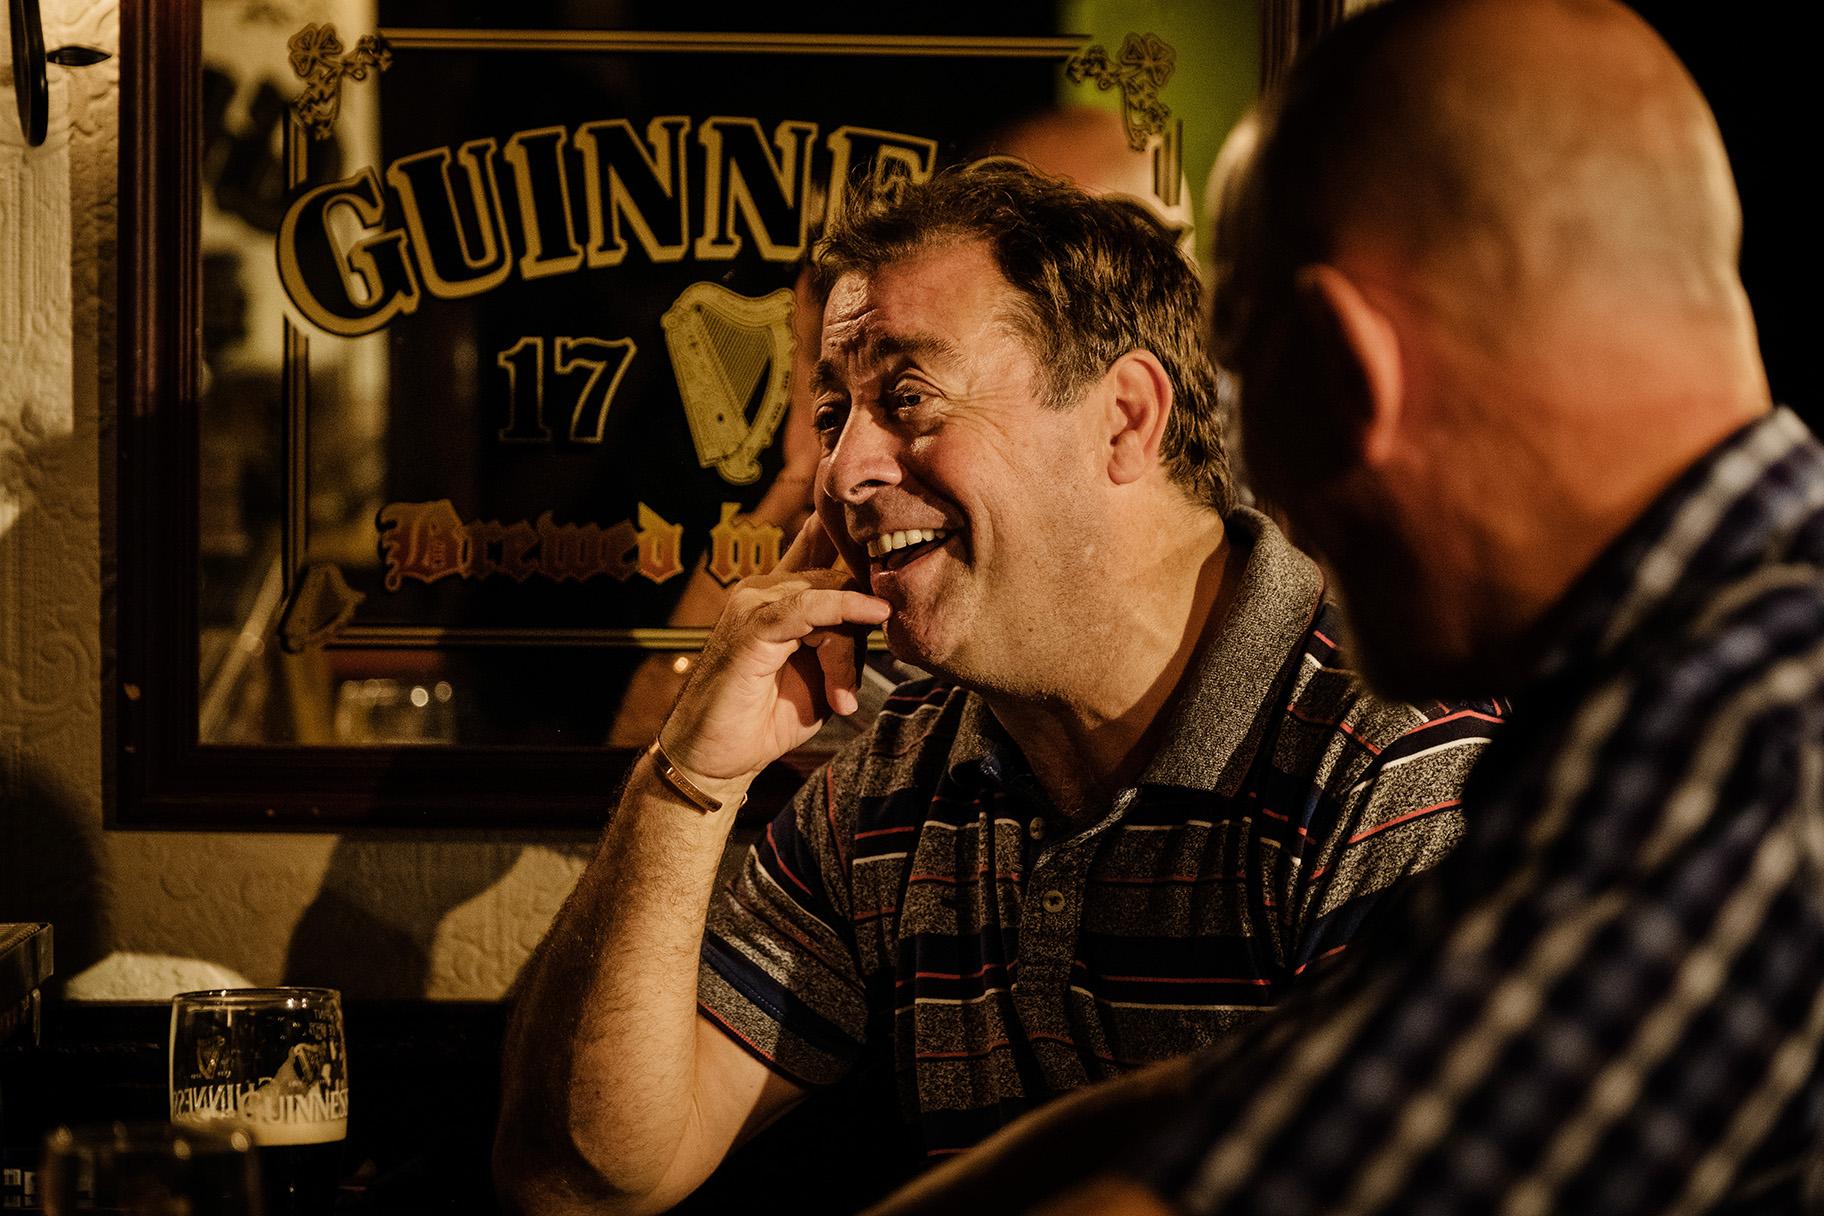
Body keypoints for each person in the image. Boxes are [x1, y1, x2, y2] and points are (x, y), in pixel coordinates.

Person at [864, 2, 1824, 1213]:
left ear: (1339, 366)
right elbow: (1304, 1082)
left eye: (1237, 376)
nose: (1256, 495)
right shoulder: (1699, 664)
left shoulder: (1742, 741)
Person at [492, 164, 1502, 1215]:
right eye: (834, 415)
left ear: (1124, 418)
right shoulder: (897, 773)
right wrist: (685, 781)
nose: (842, 473)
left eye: (907, 398)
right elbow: (581, 1176)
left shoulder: (1390, 759)